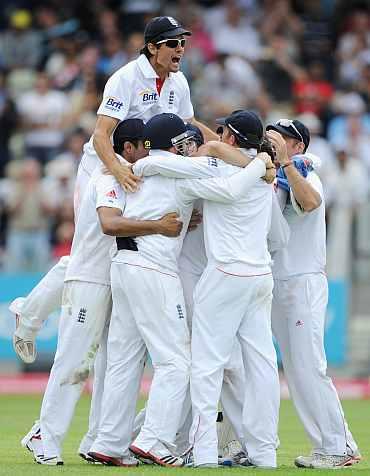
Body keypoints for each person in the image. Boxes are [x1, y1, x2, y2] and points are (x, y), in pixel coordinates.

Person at [10, 15, 215, 362]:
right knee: (89, 257)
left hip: (139, 174)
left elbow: (190, 124)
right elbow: (102, 135)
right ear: (153, 47)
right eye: (172, 42)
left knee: (110, 255)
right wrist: (118, 172)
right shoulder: (126, 78)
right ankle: (29, 316)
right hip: (101, 169)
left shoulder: (179, 84)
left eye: (183, 42)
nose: (180, 48)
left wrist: (230, 145)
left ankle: (32, 314)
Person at [88, 112, 274, 467]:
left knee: (125, 360)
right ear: (174, 145)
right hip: (155, 270)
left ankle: (110, 442)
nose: (194, 147)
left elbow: (153, 167)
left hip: (123, 267)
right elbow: (228, 181)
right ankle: (155, 441)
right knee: (176, 361)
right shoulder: (184, 173)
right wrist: (261, 164)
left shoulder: (137, 167)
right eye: (187, 142)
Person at [20, 119, 183, 466]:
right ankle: (43, 436)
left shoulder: (134, 180)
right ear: (127, 148)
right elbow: (110, 225)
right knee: (75, 362)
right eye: (144, 146)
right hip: (89, 279)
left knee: (112, 367)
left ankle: (98, 440)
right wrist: (159, 226)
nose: (149, 154)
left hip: (116, 281)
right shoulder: (108, 178)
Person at [266, 119, 361, 469]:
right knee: (295, 370)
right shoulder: (270, 174)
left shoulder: (307, 172)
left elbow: (310, 201)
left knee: (310, 366)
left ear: (299, 146)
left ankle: (337, 448)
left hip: (302, 280)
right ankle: (335, 445)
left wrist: (287, 165)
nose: (276, 142)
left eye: (285, 138)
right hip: (277, 282)